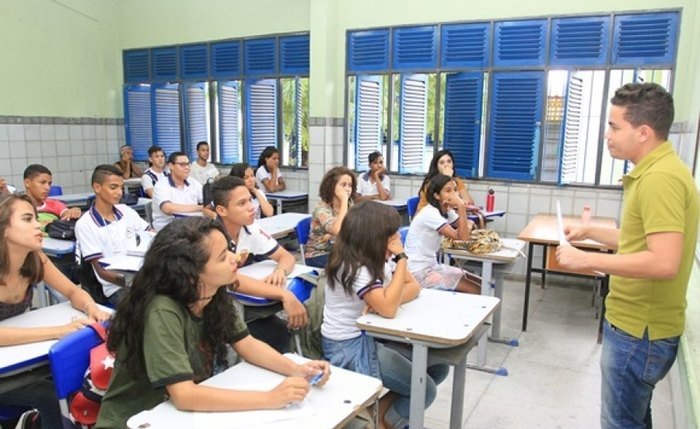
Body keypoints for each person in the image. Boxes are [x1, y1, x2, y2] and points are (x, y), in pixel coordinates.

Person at [95, 217, 330, 428]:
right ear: (191, 273)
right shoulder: (162, 310)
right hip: (136, 420)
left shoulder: (211, 292)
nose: (234, 258)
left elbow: (246, 343)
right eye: (222, 257)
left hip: (176, 415)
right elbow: (184, 395)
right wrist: (270, 398)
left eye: (229, 250)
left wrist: (298, 369)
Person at [556, 82, 698, 429]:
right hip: (643, 328)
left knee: (620, 424)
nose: (607, 135)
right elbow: (641, 241)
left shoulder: (659, 180)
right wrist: (590, 233)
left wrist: (585, 259)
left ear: (644, 132)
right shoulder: (660, 170)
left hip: (639, 331)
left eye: (615, 126)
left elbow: (664, 262)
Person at [322, 201, 448, 429]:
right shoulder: (354, 267)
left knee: (439, 366)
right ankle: (386, 422)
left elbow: (413, 288)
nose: (395, 242)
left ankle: (381, 419)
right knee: (425, 390)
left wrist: (387, 297)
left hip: (373, 335)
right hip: (350, 346)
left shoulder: (377, 257)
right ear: (372, 237)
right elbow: (389, 310)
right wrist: (401, 260)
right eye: (391, 237)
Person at [0, 193, 110, 429]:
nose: (38, 225)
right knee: (51, 396)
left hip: (20, 358)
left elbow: (72, 291)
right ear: (4, 229)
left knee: (76, 381)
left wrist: (91, 307)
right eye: (28, 219)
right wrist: (57, 331)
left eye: (36, 218)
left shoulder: (35, 259)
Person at [212, 176, 307, 352]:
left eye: (250, 200)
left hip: (241, 305)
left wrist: (280, 270)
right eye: (242, 203)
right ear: (222, 210)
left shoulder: (250, 229)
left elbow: (287, 257)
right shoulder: (211, 238)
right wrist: (284, 295)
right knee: (276, 335)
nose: (252, 207)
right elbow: (233, 282)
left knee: (283, 332)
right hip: (214, 312)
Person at [75, 165, 150, 306]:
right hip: (116, 288)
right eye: (113, 187)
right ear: (97, 187)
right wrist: (135, 283)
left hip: (141, 277)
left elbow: (151, 234)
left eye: (121, 188)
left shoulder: (126, 211)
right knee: (151, 309)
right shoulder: (85, 224)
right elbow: (102, 271)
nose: (119, 193)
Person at [405, 174, 480, 294]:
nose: (454, 195)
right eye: (448, 191)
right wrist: (461, 206)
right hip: (419, 272)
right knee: (476, 289)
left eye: (455, 190)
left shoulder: (446, 210)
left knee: (481, 282)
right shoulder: (430, 213)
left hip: (433, 266)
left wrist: (467, 224)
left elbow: (464, 228)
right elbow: (463, 236)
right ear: (437, 195)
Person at [304, 166, 356, 268]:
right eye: (343, 185)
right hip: (318, 254)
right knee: (350, 267)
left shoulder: (350, 205)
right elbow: (337, 230)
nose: (347, 189)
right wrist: (344, 200)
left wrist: (333, 235)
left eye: (350, 185)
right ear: (332, 187)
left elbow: (356, 227)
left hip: (340, 252)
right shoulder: (322, 209)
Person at [151, 152, 204, 231]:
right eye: (182, 164)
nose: (187, 168)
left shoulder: (192, 182)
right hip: (167, 228)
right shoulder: (161, 185)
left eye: (188, 164)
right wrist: (201, 207)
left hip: (189, 224)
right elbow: (168, 209)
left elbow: (207, 200)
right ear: (171, 166)